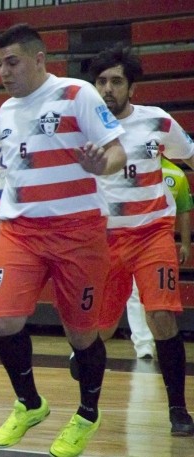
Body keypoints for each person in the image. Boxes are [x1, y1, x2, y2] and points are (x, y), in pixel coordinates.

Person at [0, 24, 127, 457]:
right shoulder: (6, 112)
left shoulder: (78, 94)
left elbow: (117, 152)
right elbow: (16, 175)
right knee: (3, 322)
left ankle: (87, 414)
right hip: (21, 232)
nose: (3, 71)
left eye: (12, 61)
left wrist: (102, 165)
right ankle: (29, 403)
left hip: (79, 231)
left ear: (40, 59)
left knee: (81, 334)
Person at [88, 44, 194, 436]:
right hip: (103, 240)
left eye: (116, 81)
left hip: (153, 234)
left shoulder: (158, 122)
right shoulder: (82, 128)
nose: (108, 88)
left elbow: (191, 156)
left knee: (161, 318)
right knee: (99, 330)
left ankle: (179, 410)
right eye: (101, 81)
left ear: (132, 88)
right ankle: (88, 403)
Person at [124, 157, 192, 359]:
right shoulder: (130, 168)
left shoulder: (177, 174)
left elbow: (184, 210)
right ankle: (143, 345)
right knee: (135, 294)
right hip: (129, 240)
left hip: (160, 244)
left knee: (159, 304)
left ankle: (157, 342)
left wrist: (186, 244)